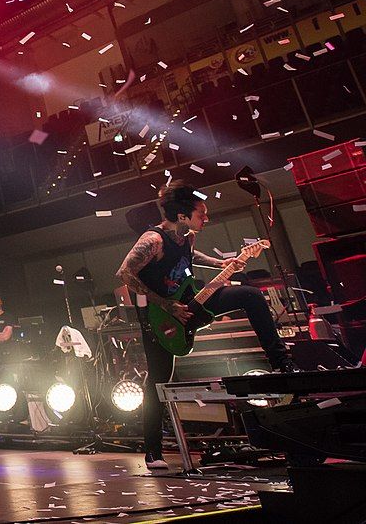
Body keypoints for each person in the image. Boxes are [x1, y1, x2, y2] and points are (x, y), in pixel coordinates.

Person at [116, 181, 294, 471]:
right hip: (160, 316)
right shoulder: (153, 240)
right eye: (201, 214)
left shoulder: (188, 236)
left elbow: (191, 257)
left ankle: (281, 362)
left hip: (191, 301)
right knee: (159, 379)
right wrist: (165, 304)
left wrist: (227, 262)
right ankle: (152, 450)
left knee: (250, 295)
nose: (206, 219)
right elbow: (125, 272)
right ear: (183, 216)